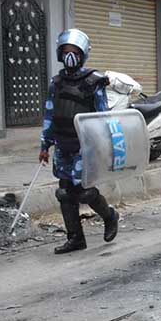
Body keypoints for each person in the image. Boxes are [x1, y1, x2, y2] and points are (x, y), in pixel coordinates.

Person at [39, 29, 119, 254]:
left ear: (82, 54)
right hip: (63, 145)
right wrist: (45, 145)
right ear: (60, 54)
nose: (70, 56)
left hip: (85, 147)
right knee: (65, 192)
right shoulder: (56, 83)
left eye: (74, 52)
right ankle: (75, 239)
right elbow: (49, 114)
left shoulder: (94, 81)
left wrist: (106, 146)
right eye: (66, 51)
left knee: (84, 191)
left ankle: (110, 216)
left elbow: (103, 116)